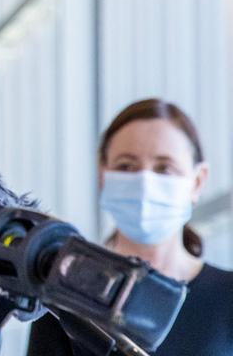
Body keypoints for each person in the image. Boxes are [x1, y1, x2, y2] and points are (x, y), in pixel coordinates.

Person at [26, 99, 232, 355]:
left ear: (197, 181)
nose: (145, 182)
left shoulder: (227, 296)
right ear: (103, 174)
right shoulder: (65, 295)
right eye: (126, 166)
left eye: (164, 168)